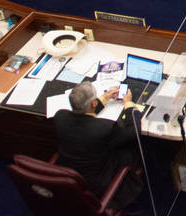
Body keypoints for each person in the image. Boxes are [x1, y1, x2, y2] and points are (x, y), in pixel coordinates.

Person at [54, 81, 145, 209]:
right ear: (93, 103)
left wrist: (104, 98)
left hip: (68, 176)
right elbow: (134, 131)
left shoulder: (60, 116)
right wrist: (129, 105)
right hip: (97, 185)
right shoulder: (104, 128)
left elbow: (81, 113)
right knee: (132, 148)